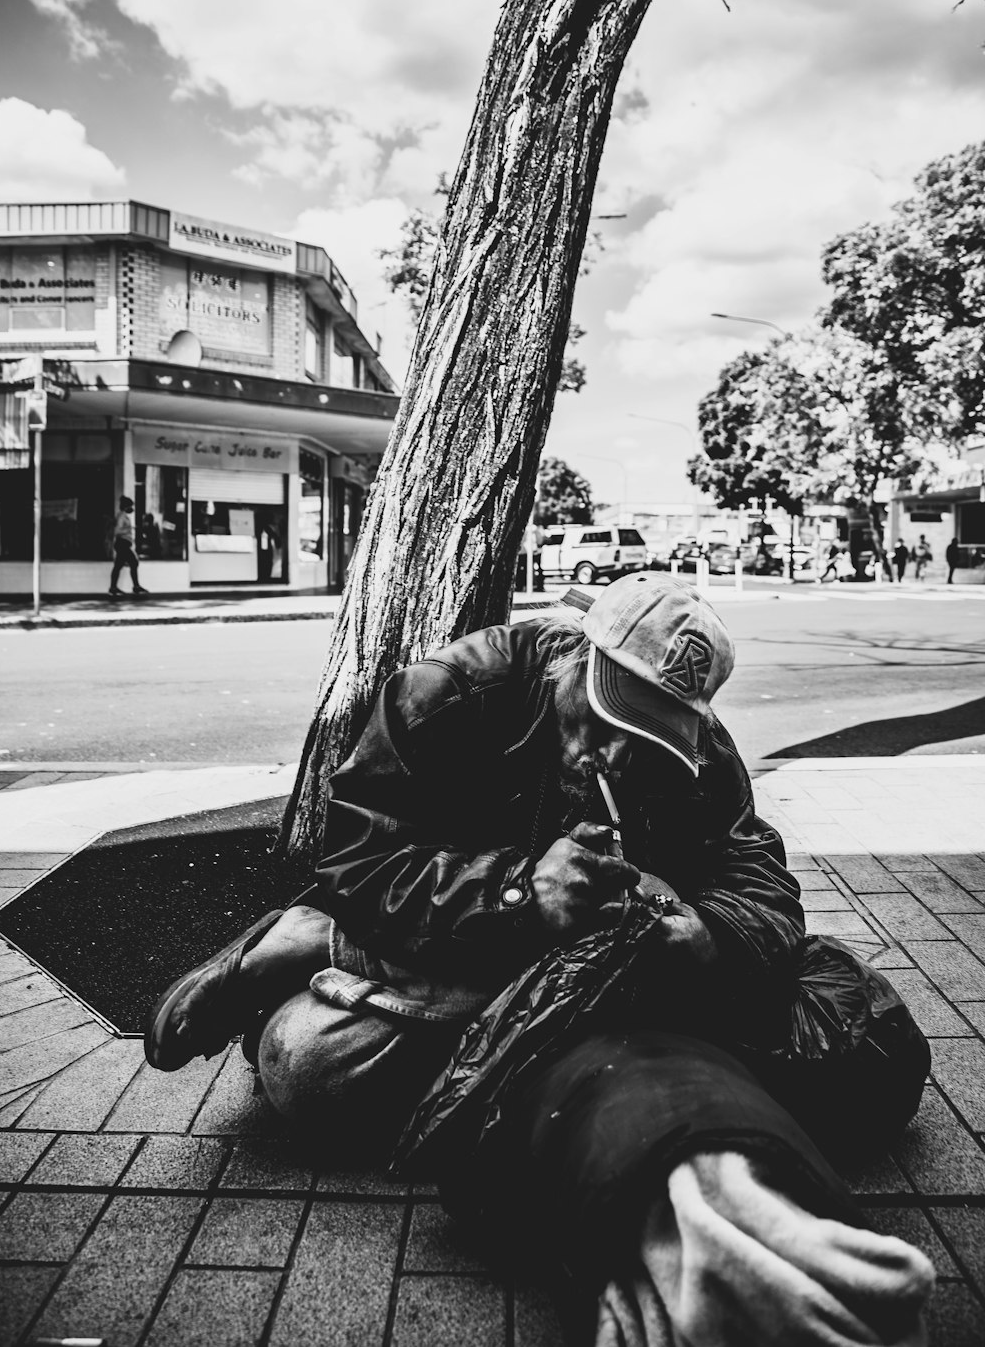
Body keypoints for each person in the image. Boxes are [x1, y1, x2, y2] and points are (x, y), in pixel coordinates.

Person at [145, 574, 933, 1345]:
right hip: (445, 932)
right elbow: (355, 864)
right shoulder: (447, 693)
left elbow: (761, 883)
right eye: (612, 721)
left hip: (541, 975)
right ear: (578, 661)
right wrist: (520, 894)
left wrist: (707, 933)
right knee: (306, 1069)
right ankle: (317, 937)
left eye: (652, 737)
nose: (623, 757)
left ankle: (334, 952)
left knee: (342, 1062)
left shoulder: (696, 756)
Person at [108, 495, 147, 598]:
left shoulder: (123, 516)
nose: (132, 508)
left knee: (119, 566)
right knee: (133, 563)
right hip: (122, 544)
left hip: (123, 544)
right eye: (130, 506)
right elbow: (117, 531)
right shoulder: (122, 517)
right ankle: (135, 587)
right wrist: (129, 530)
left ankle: (114, 588)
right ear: (126, 506)